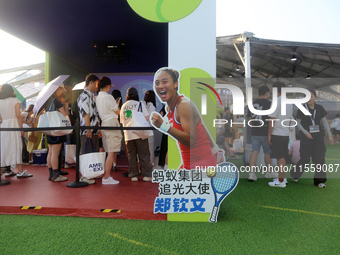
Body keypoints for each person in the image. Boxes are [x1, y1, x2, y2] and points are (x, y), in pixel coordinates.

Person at [150, 67, 218, 170]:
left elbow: (191, 140)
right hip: (188, 164)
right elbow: (200, 126)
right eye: (157, 83)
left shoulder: (183, 105)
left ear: (175, 84)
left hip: (202, 166)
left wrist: (164, 126)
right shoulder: (169, 107)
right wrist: (215, 149)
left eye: (165, 82)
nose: (160, 86)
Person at [290, 90, 334, 188]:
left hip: (318, 137)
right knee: (305, 159)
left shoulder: (320, 108)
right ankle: (295, 174)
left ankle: (319, 181)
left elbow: (324, 122)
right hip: (306, 138)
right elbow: (298, 123)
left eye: (311, 96)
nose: (309, 98)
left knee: (319, 159)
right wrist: (306, 133)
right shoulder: (301, 109)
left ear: (315, 97)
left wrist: (330, 135)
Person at [120, 87, 152, 181]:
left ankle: (134, 175)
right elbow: (146, 118)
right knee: (144, 154)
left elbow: (122, 121)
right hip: (140, 133)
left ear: (127, 96)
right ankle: (146, 175)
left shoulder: (124, 106)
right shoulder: (140, 104)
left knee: (131, 155)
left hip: (128, 135)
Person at [0, 84, 33, 178]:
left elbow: (0, 117)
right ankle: (20, 171)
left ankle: (7, 170)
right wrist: (21, 128)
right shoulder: (15, 101)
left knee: (5, 147)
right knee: (17, 146)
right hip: (14, 125)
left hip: (4, 125)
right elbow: (18, 116)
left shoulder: (0, 101)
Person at [247, 85, 277, 181]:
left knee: (254, 151)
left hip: (254, 132)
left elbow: (250, 120)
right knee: (267, 153)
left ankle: (251, 173)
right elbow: (272, 119)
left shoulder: (251, 104)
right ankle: (269, 172)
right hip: (266, 132)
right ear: (267, 93)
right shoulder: (270, 104)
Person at [96, 77, 121, 185]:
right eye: (110, 86)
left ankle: (106, 176)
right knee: (111, 152)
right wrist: (117, 104)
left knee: (108, 151)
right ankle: (106, 177)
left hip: (104, 124)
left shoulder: (97, 97)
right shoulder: (108, 97)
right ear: (107, 86)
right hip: (111, 123)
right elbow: (118, 112)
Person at [267, 81, 293, 188]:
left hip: (277, 133)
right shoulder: (289, 102)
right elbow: (290, 119)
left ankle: (281, 181)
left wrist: (269, 135)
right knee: (282, 157)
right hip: (285, 133)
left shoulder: (276, 102)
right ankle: (282, 178)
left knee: (280, 158)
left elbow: (272, 120)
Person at [77, 74, 100, 184]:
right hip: (88, 130)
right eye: (96, 83)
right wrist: (88, 129)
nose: (97, 86)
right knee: (86, 153)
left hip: (92, 129)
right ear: (91, 82)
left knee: (91, 152)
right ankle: (84, 176)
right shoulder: (84, 96)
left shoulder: (91, 96)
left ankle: (89, 174)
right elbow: (85, 113)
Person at [46, 85, 68, 182]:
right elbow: (64, 114)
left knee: (50, 152)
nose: (62, 91)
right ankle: (56, 175)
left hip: (49, 129)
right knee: (55, 152)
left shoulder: (48, 101)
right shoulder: (57, 101)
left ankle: (51, 174)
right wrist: (66, 107)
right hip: (57, 129)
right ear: (58, 89)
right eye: (61, 89)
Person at [143, 90, 156, 167]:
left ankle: (142, 166)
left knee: (142, 150)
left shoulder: (141, 104)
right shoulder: (153, 107)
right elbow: (152, 121)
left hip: (141, 130)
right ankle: (151, 165)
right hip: (149, 131)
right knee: (150, 149)